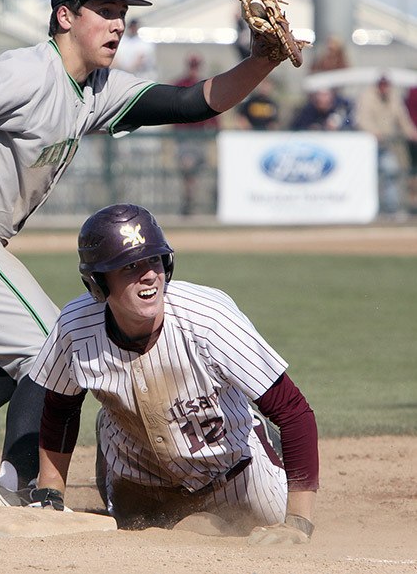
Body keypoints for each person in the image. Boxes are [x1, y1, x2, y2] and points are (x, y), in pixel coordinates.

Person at [0, 0, 294, 509]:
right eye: (106, 12)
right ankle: (16, 492)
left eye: (123, 14)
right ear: (65, 16)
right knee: (50, 345)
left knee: (20, 344)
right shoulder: (29, 72)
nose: (118, 25)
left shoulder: (94, 88)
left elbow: (192, 102)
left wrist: (262, 61)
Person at [29, 204, 319, 545]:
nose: (149, 275)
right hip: (139, 476)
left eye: (154, 260)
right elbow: (60, 407)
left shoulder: (207, 318)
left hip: (234, 475)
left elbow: (293, 410)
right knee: (134, 527)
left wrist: (298, 522)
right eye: (130, 266)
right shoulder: (76, 325)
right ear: (98, 283)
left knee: (263, 527)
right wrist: (49, 492)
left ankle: (257, 433)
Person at [355, 75, 417, 218]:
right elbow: (362, 119)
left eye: (387, 85)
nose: (385, 88)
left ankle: (391, 209)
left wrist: (411, 132)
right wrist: (374, 132)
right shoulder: (367, 97)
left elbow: (402, 118)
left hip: (385, 145)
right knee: (364, 176)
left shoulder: (393, 98)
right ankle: (363, 208)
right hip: (367, 145)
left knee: (391, 170)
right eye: (382, 85)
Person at [171, 54, 219, 215]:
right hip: (184, 136)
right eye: (192, 66)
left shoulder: (203, 85)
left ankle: (199, 203)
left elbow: (212, 110)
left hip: (200, 137)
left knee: (199, 171)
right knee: (188, 169)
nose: (194, 69)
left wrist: (214, 127)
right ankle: (188, 203)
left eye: (196, 66)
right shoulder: (180, 84)